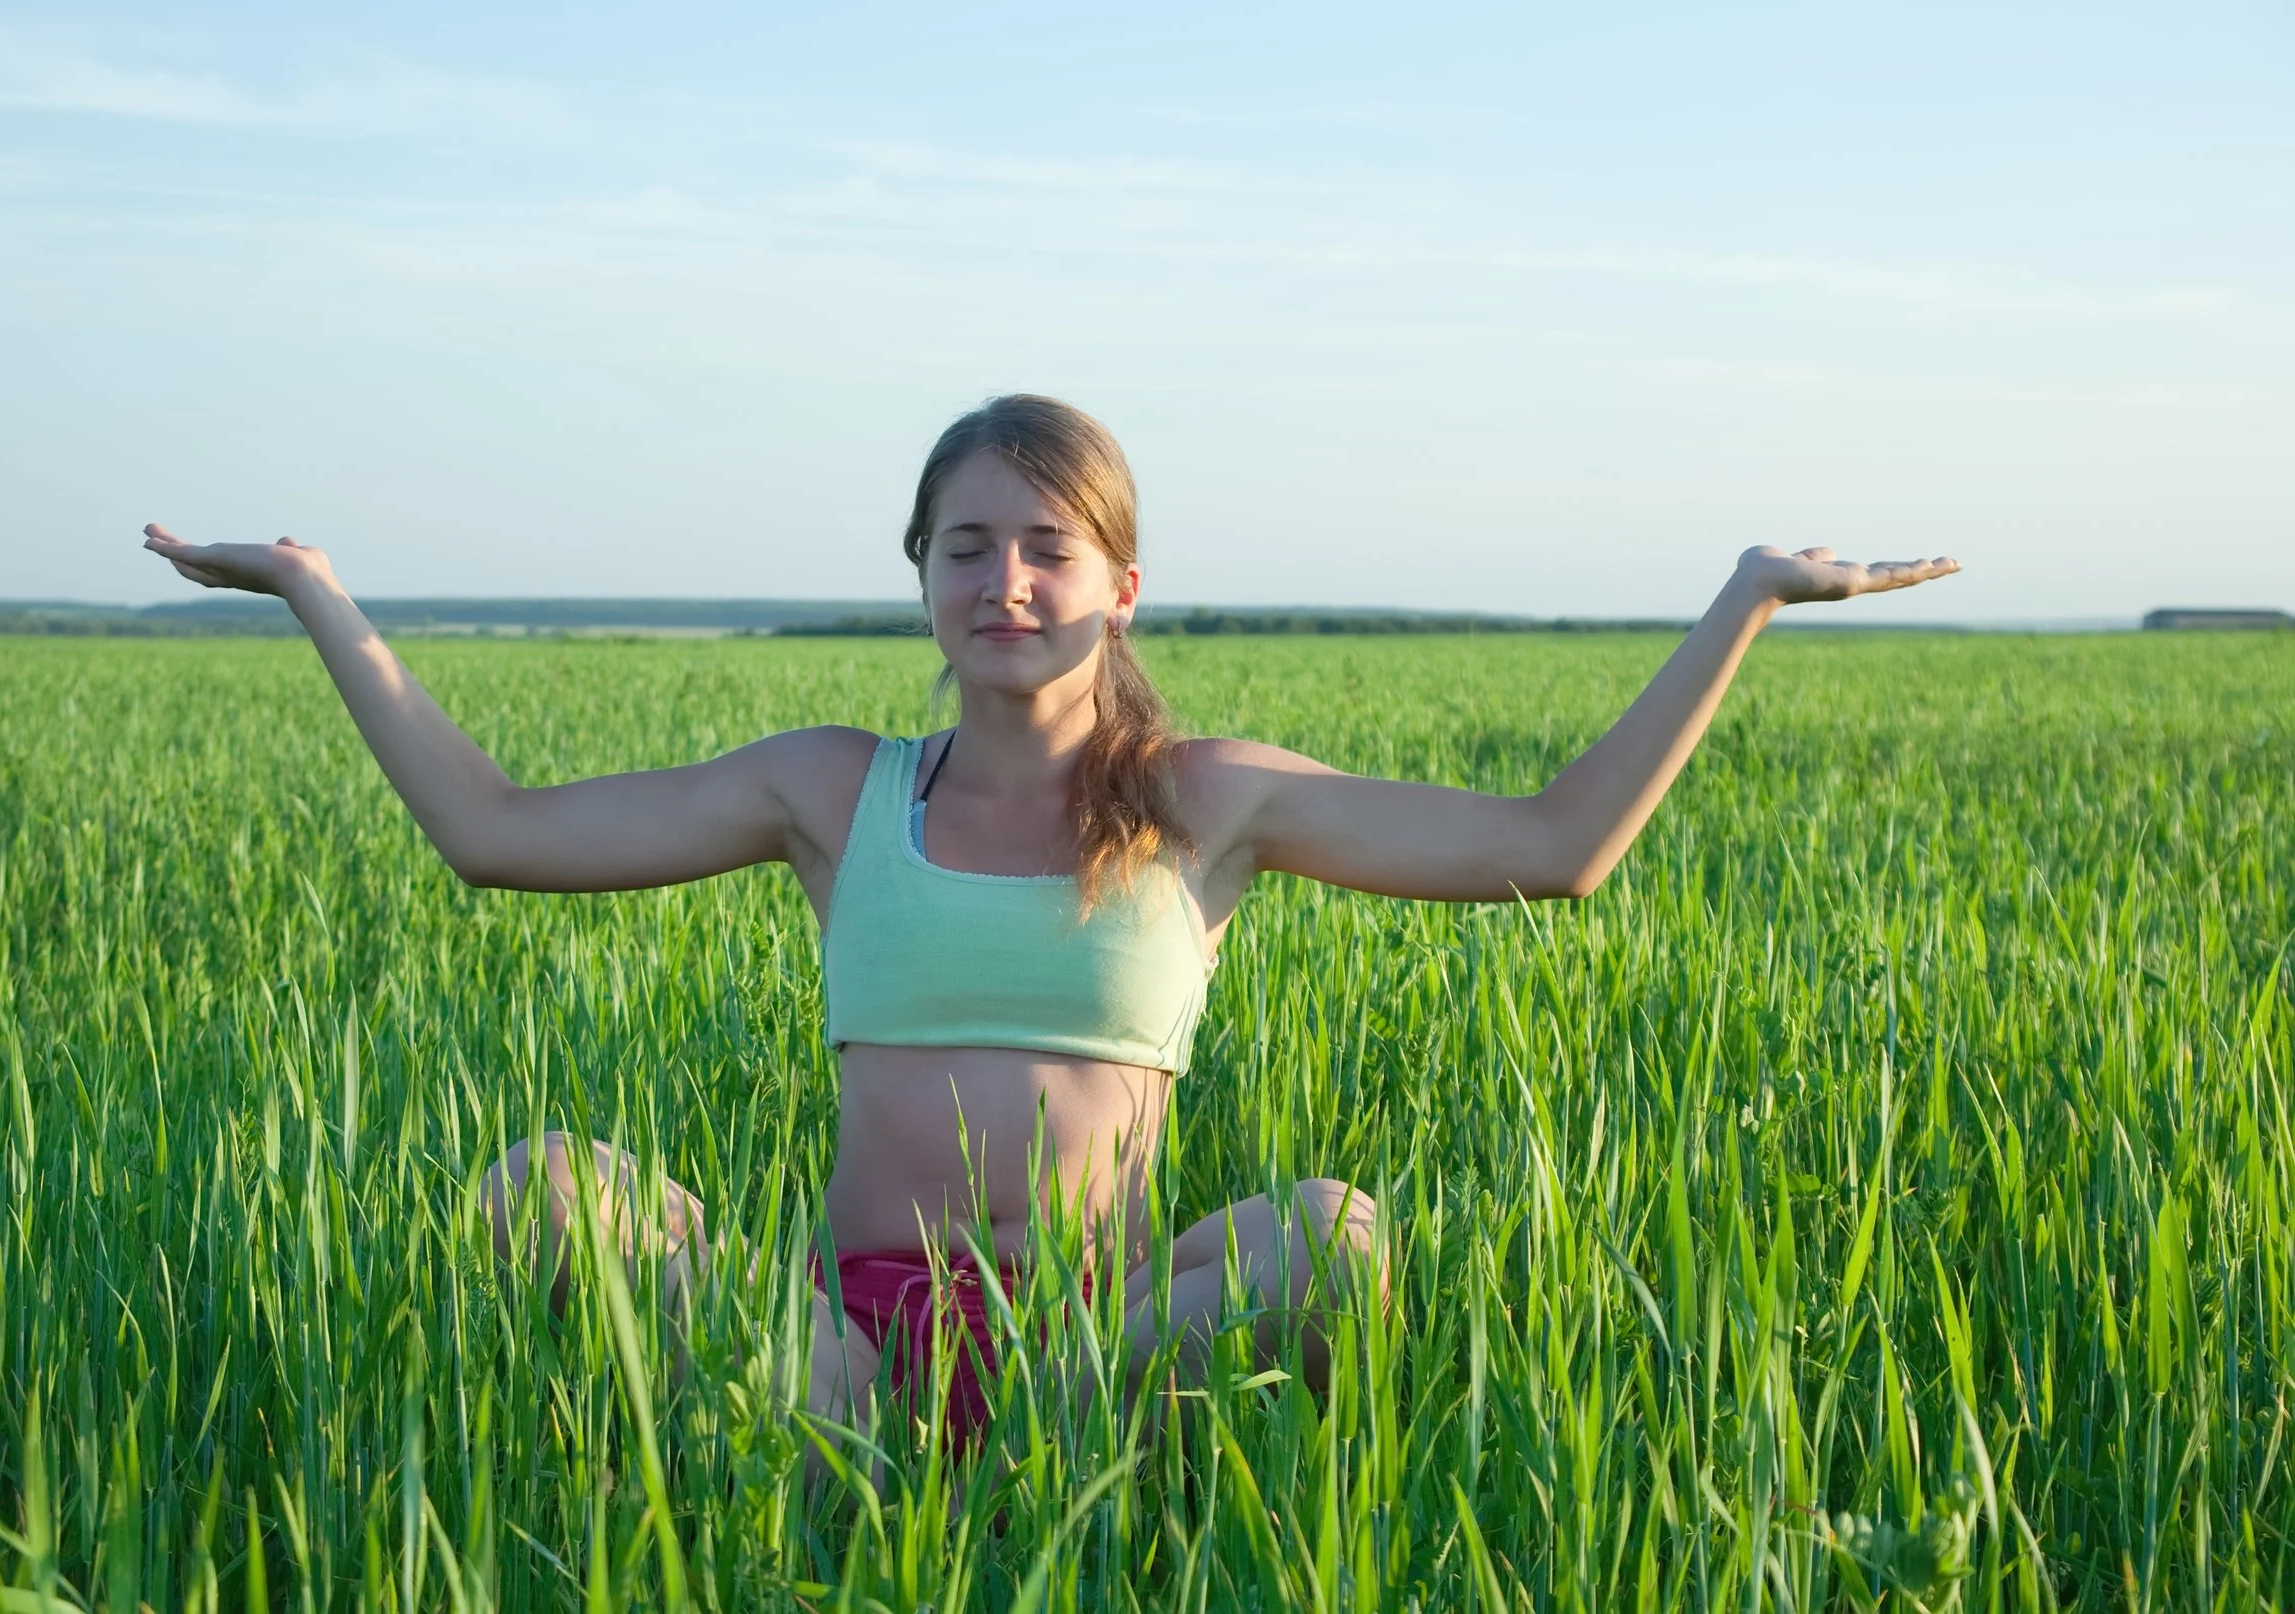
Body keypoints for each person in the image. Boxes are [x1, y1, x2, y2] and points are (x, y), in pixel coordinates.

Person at [142, 393, 1957, 1448]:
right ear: (920, 578)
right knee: (541, 1181)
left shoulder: (1205, 799)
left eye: (1046, 548)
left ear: (1118, 585)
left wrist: (1749, 602)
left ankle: (1071, 1466)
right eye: (964, 546)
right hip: (842, 1336)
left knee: (1340, 1233)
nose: (1004, 580)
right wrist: (314, 591)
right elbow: (495, 833)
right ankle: (852, 1443)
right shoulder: (833, 789)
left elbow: (1559, 846)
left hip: (1101, 1341)